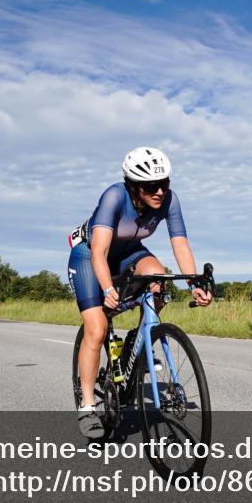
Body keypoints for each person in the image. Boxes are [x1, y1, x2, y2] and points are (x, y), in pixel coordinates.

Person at [67, 147, 211, 438]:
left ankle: (141, 337)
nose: (159, 191)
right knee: (96, 327)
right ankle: (86, 404)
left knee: (159, 279)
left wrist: (194, 284)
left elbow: (180, 243)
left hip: (131, 252)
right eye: (150, 186)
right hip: (89, 254)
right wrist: (107, 288)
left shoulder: (169, 200)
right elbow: (99, 251)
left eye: (165, 183)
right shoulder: (114, 196)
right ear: (133, 186)